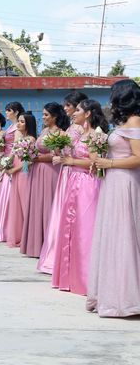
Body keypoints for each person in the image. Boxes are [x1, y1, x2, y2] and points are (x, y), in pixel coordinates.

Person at [87, 80, 140, 317]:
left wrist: (108, 162)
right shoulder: (122, 122)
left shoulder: (135, 121)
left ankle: (127, 298)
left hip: (126, 182)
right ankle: (111, 292)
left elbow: (138, 157)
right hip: (113, 181)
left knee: (125, 235)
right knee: (114, 235)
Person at [51, 99, 108, 295]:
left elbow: (95, 161)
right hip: (73, 182)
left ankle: (85, 279)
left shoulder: (94, 135)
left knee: (85, 229)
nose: (73, 113)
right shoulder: (80, 134)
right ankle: (69, 277)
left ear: (89, 113)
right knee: (70, 228)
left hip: (87, 183)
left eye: (77, 110)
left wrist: (72, 160)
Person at [37, 91, 89, 274]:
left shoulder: (81, 128)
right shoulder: (71, 127)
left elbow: (81, 150)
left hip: (74, 172)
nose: (66, 108)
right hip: (66, 171)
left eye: (68, 105)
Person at [20, 103, 69, 258]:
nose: (43, 117)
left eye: (46, 115)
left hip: (50, 172)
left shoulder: (61, 134)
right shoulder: (44, 131)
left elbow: (58, 155)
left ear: (55, 116)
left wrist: (37, 157)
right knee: (36, 205)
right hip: (37, 171)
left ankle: (49, 245)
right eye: (43, 114)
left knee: (47, 204)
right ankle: (36, 244)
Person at [0, 101, 24, 242]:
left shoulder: (18, 128)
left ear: (15, 112)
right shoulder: (10, 127)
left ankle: (8, 229)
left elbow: (16, 147)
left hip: (12, 159)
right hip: (6, 157)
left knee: (8, 195)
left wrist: (7, 162)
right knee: (2, 195)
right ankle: (1, 227)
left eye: (9, 110)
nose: (7, 113)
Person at [4, 113, 37, 248]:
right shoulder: (20, 138)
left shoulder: (31, 139)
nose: (19, 124)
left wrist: (14, 170)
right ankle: (17, 234)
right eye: (18, 121)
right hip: (16, 171)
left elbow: (29, 161)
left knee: (24, 203)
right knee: (16, 202)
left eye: (22, 122)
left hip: (24, 172)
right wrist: (7, 163)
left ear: (28, 124)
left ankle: (27, 236)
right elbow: (13, 153)